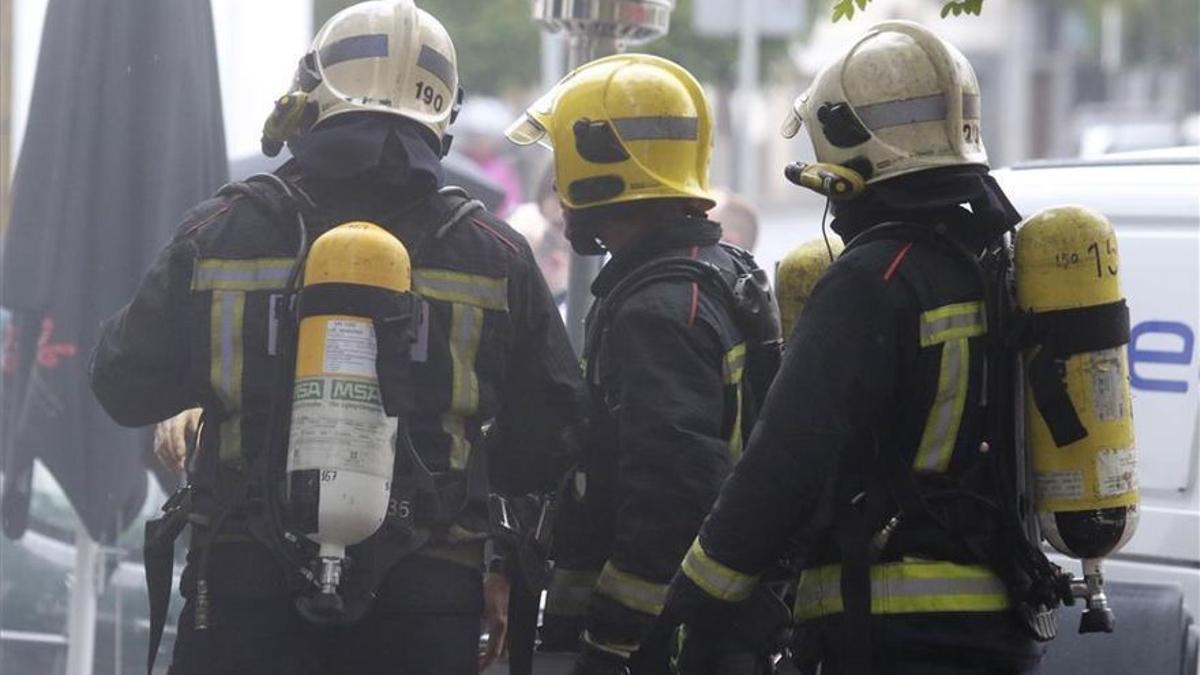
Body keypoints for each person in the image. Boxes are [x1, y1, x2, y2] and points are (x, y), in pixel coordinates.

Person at [89, 2, 583, 674]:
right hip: (427, 598)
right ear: (443, 110)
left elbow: (121, 382)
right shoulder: (494, 253)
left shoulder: (221, 231)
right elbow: (554, 433)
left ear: (313, 92)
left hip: (243, 590)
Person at [666, 20, 1060, 675]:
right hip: (1003, 628)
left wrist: (696, 598)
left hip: (893, 634)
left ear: (855, 145)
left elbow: (785, 462)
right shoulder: (998, 264)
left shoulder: (873, 277)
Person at [506, 54, 783, 674]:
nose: (556, 189)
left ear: (603, 170)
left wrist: (615, 638)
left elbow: (671, 490)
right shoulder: (715, 271)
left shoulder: (658, 310)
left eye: (564, 166)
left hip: (665, 643)